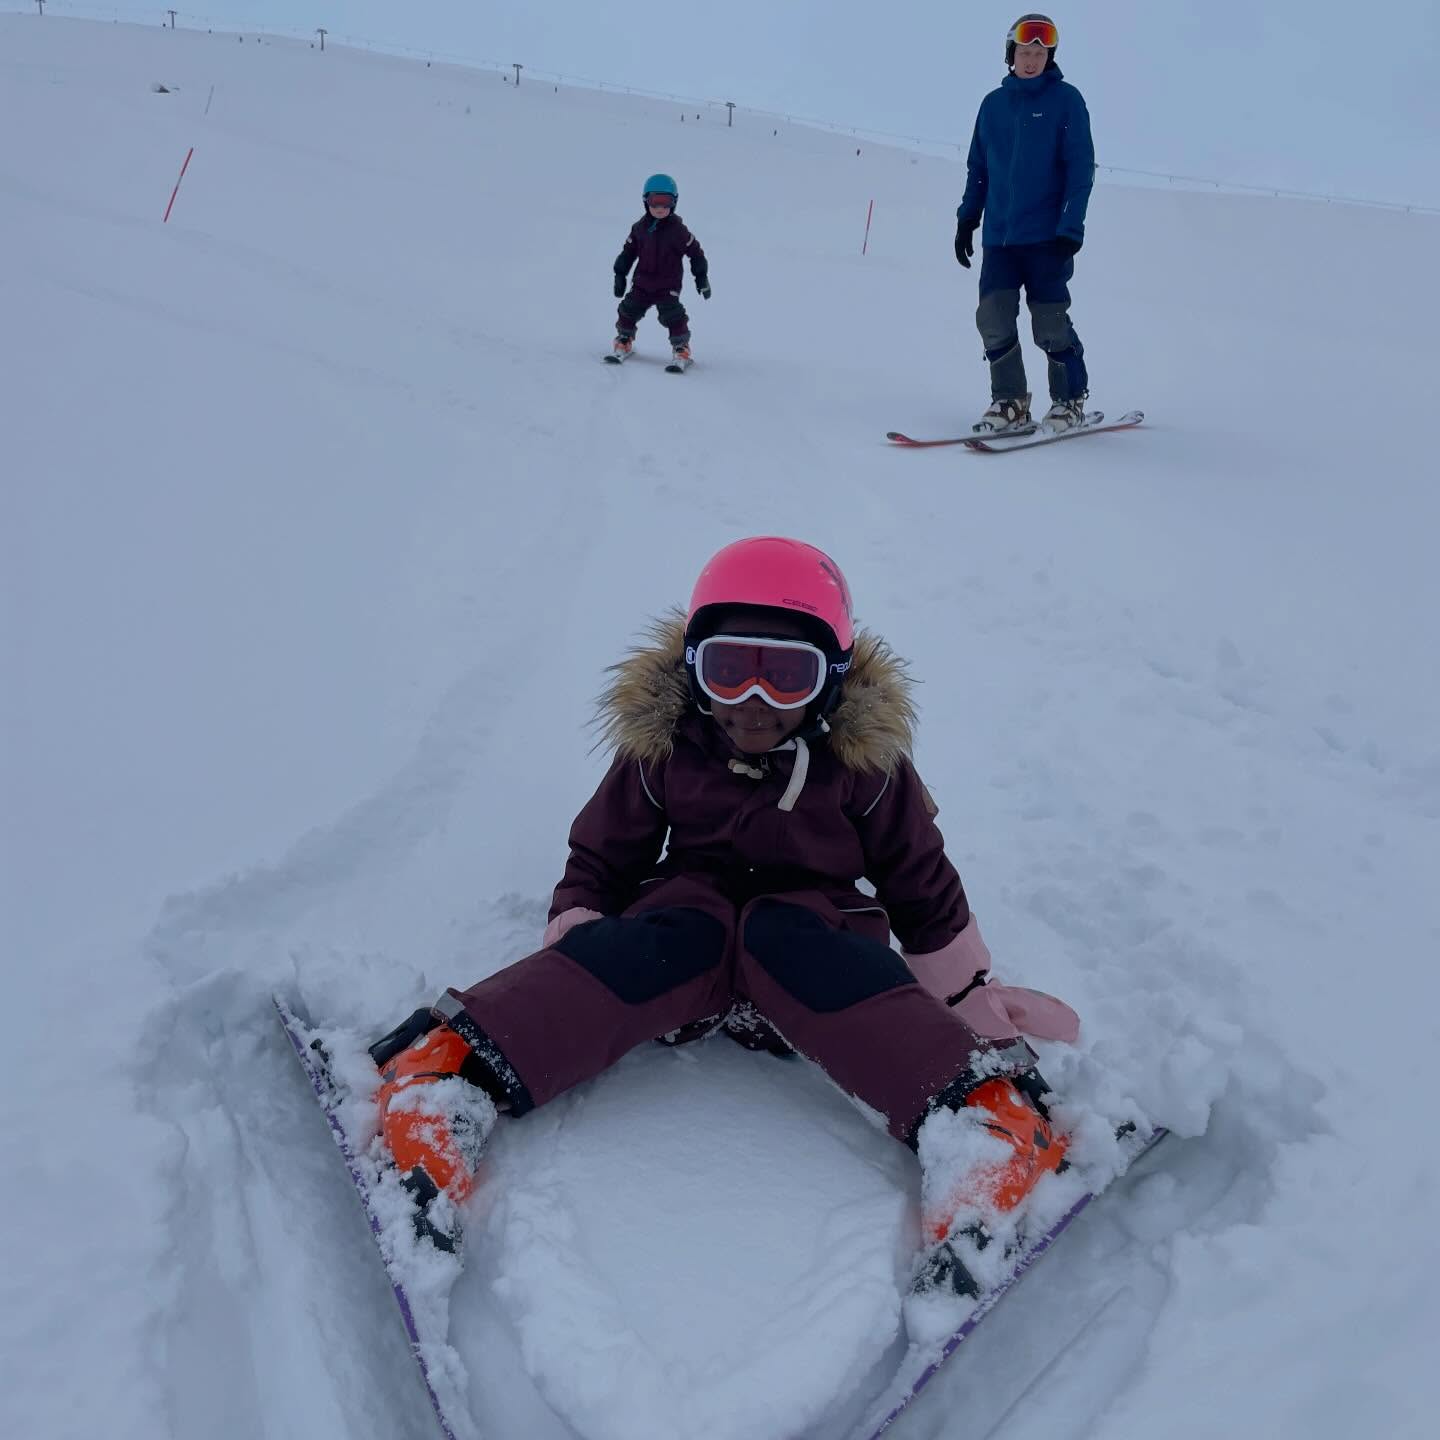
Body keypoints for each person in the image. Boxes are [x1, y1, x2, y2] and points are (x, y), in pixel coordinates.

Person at [368, 537, 1080, 1294]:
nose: (754, 699)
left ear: (832, 680)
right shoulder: (669, 746)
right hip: (692, 933)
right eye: (729, 669)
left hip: (814, 937)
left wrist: (966, 993)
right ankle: (454, 1067)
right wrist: (580, 938)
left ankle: (984, 1118)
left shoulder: (865, 767)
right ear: (693, 668)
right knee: (672, 932)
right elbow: (605, 853)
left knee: (787, 935)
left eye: (787, 675)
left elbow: (918, 878)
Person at [954, 15, 1095, 434]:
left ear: (1049, 57)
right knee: (993, 318)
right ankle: (1010, 400)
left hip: (1047, 236)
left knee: (1049, 322)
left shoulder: (1066, 101)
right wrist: (967, 218)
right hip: (1000, 237)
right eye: (1024, 53)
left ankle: (1069, 400)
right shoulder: (992, 105)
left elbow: (1080, 169)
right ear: (1010, 55)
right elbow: (979, 169)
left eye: (1039, 53)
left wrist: (1071, 226)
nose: (1031, 60)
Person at [608, 173, 710, 366]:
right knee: (628, 309)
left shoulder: (679, 231)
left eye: (666, 202)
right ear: (646, 201)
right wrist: (620, 274)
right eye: (655, 202)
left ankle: (681, 348)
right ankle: (624, 339)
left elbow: (696, 253)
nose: (660, 208)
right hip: (642, 282)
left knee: (673, 315)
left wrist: (701, 277)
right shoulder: (639, 229)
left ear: (674, 202)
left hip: (667, 284)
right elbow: (628, 253)